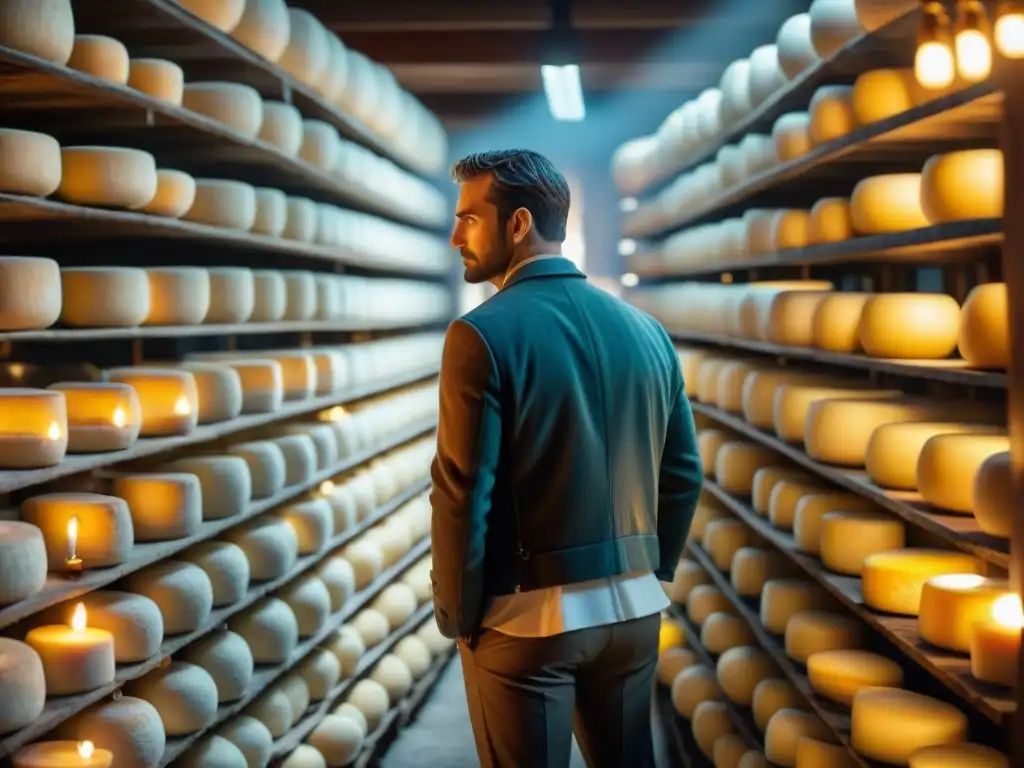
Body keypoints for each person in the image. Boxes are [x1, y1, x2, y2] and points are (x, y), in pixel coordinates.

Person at [429, 148, 703, 768]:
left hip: (528, 620)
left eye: (469, 218)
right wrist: (647, 568)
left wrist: (458, 614)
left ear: (518, 224)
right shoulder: (646, 331)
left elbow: (463, 490)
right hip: (633, 612)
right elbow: (683, 474)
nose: (455, 236)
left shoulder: (480, 334)